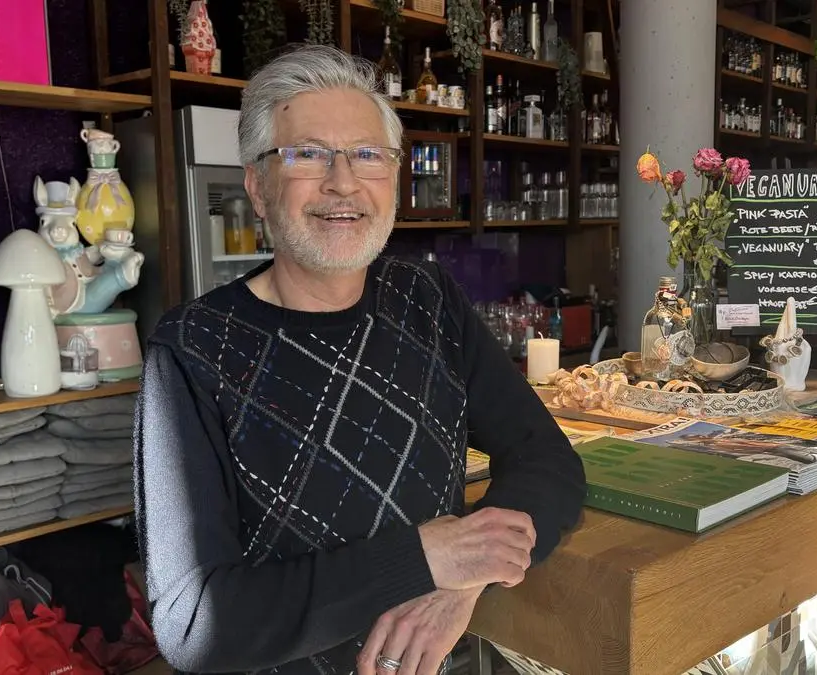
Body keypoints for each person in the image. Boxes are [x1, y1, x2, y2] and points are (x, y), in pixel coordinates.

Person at [133, 44, 586, 675]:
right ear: (258, 188)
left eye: (368, 154)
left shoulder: (429, 301)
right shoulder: (193, 349)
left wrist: (465, 578)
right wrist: (425, 558)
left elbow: (548, 461)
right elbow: (195, 625)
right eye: (308, 154)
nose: (343, 182)